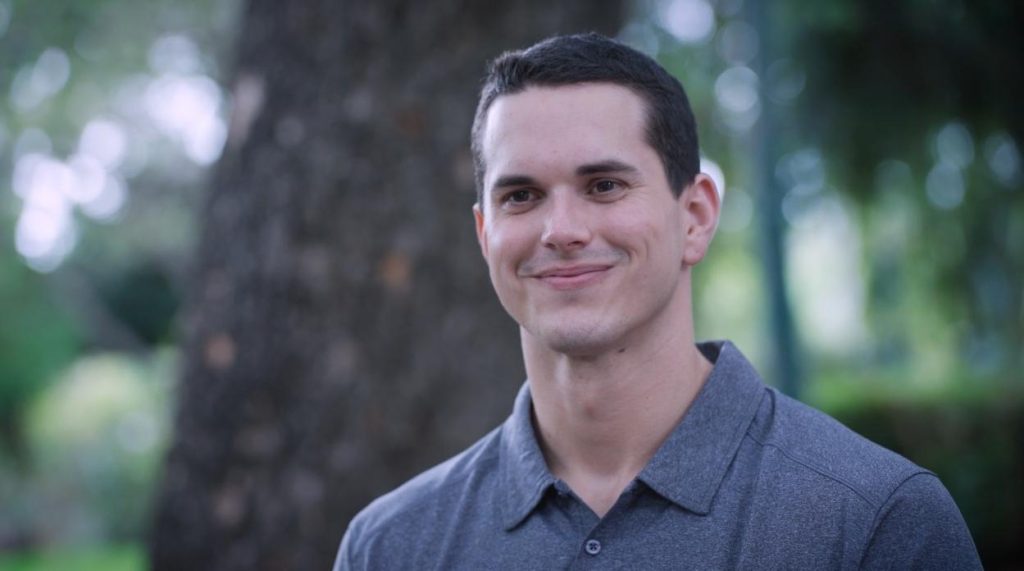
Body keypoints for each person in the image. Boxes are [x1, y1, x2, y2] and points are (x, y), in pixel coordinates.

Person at [334, 33, 981, 570]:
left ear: (695, 216)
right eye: (521, 196)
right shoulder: (391, 546)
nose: (561, 229)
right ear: (485, 235)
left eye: (605, 184)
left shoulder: (875, 522)